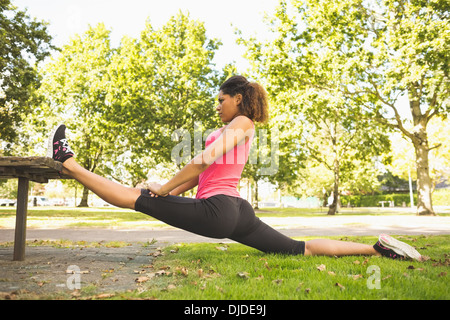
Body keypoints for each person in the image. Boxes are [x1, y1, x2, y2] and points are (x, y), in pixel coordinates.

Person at [47, 75, 422, 261]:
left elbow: (203, 160)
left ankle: (66, 161)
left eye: (221, 99)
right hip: (237, 212)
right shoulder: (230, 127)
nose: (218, 105)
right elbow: (198, 174)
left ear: (238, 99)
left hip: (219, 210)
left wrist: (159, 190)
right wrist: (167, 190)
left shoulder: (242, 124)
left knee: (132, 199)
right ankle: (377, 250)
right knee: (298, 249)